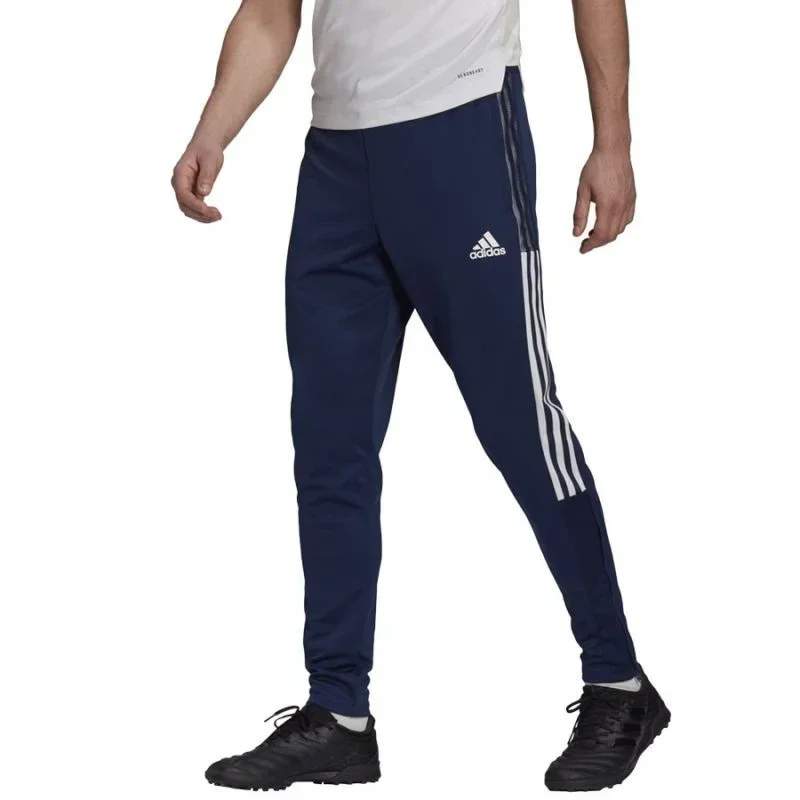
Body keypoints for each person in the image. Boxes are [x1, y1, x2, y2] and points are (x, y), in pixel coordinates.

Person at [172, 0, 670, 792]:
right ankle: (339, 714)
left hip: (462, 131)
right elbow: (269, 13)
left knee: (521, 426)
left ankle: (619, 682)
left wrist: (613, 143)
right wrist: (213, 132)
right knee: (329, 448)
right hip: (338, 158)